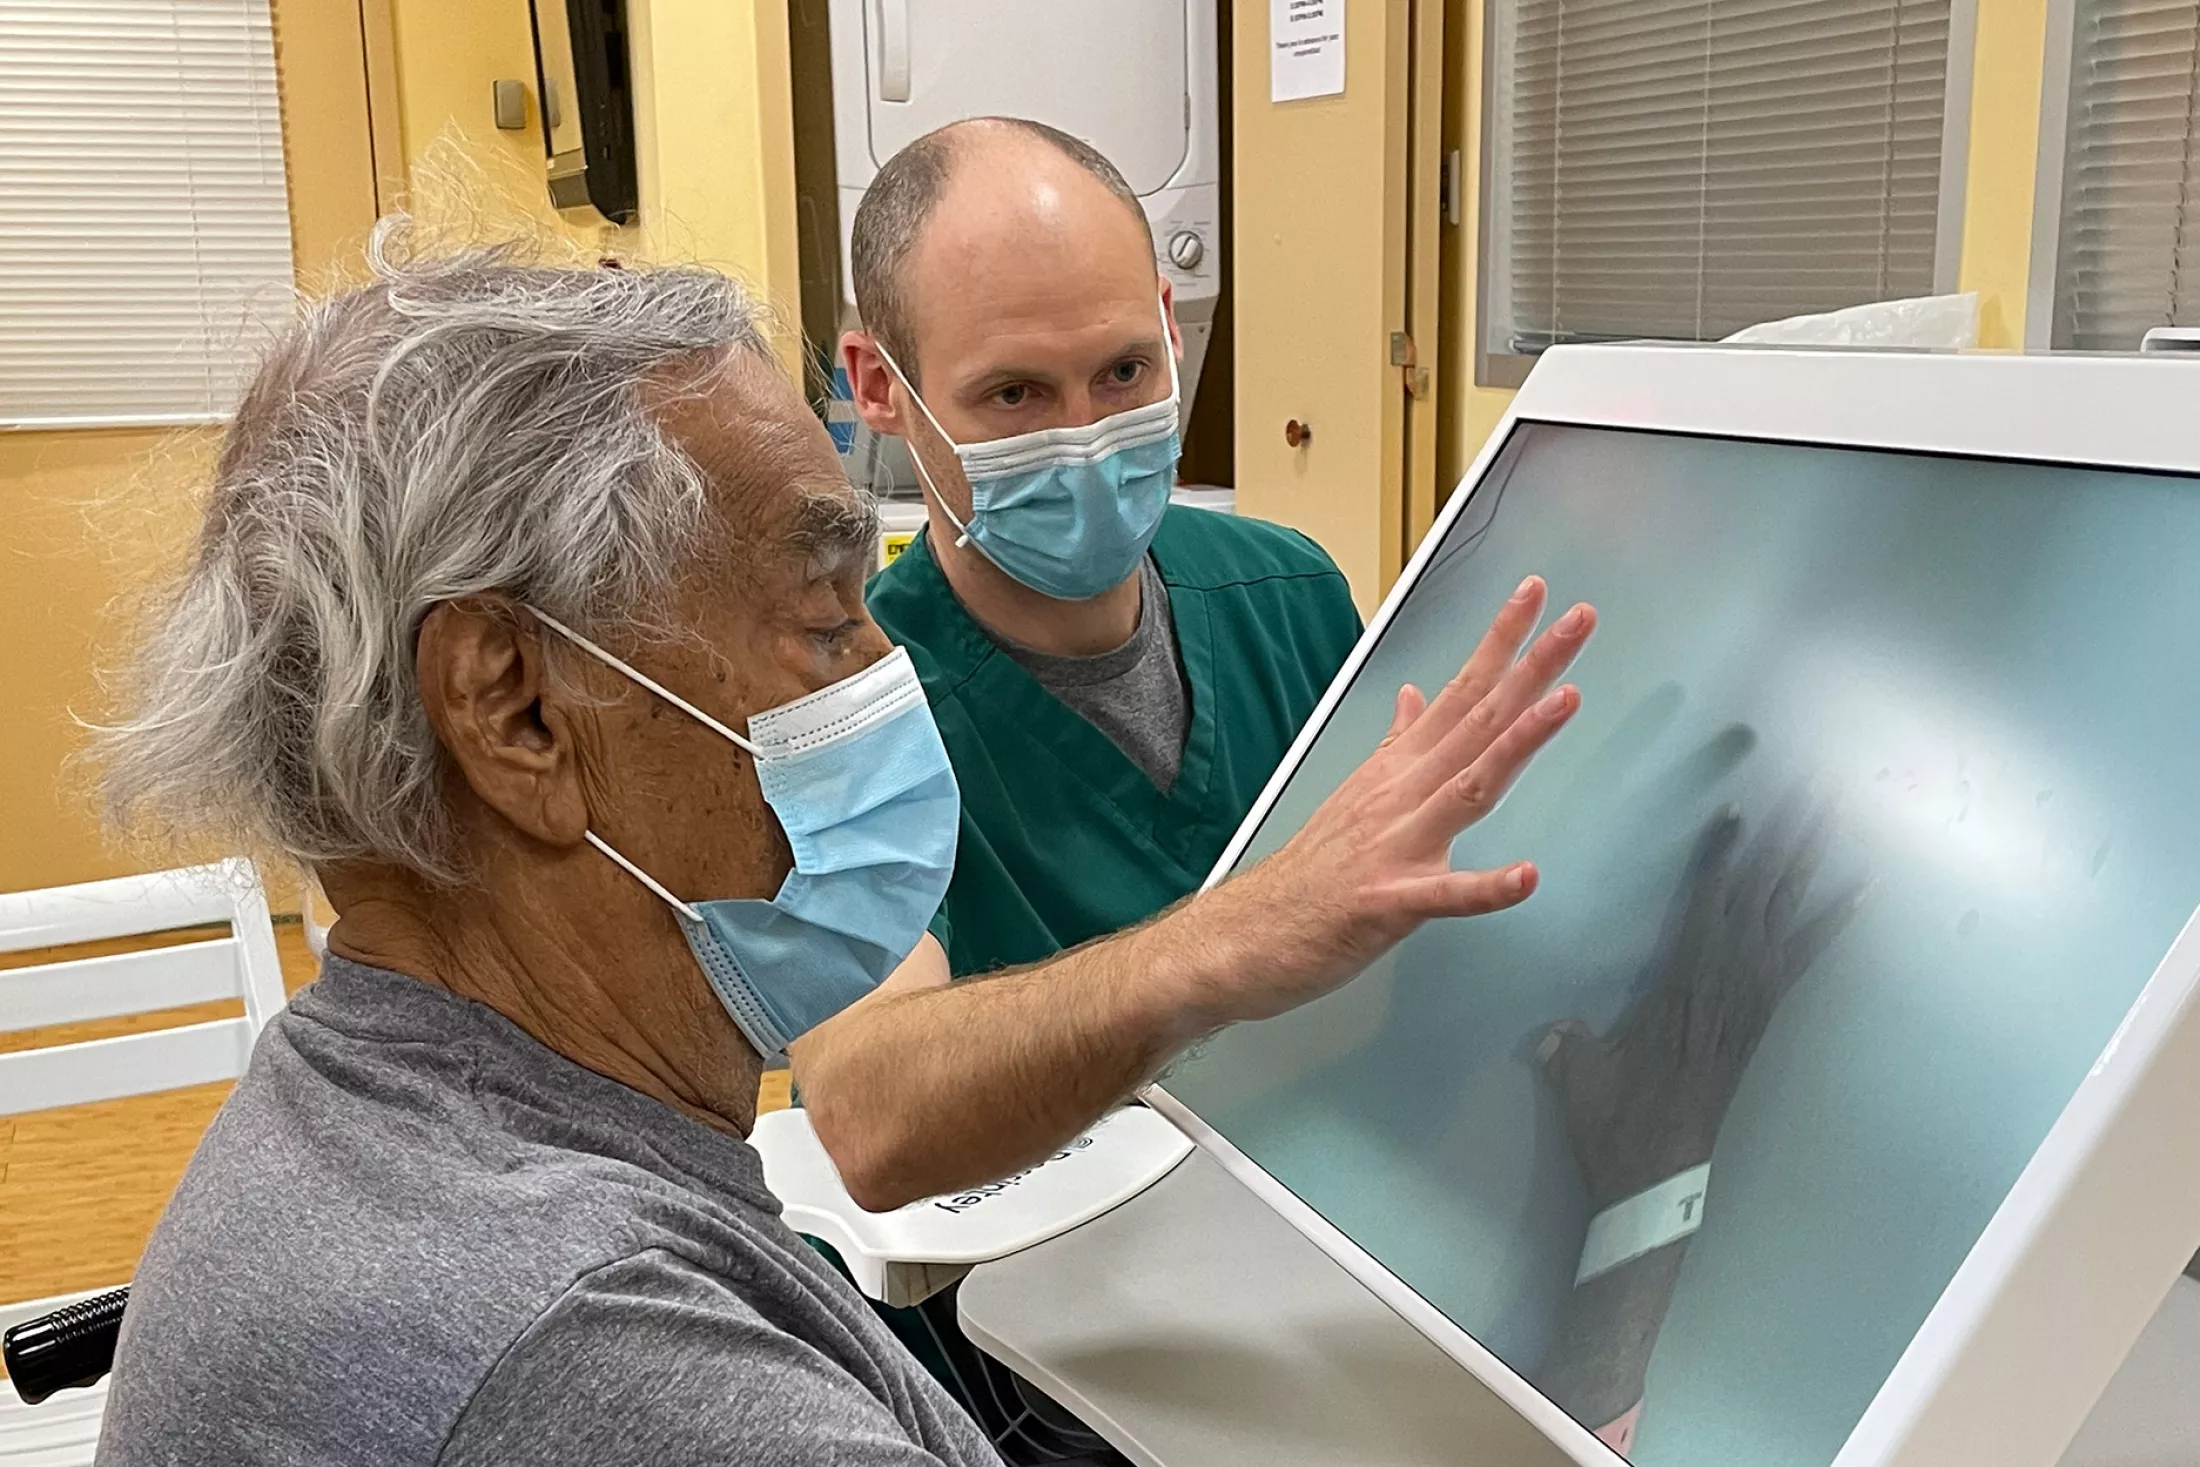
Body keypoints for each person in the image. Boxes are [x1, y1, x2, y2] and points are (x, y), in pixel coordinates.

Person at [89, 228, 1595, 1465]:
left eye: (1127, 369)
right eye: (824, 622)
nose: (886, 674)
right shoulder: (592, 1346)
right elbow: (870, 1119)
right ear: (516, 710)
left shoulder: (384, 1100)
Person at [842, 118, 1365, 989]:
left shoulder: (1291, 600)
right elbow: (870, 1090)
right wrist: (1223, 949)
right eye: (1016, 392)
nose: (1088, 442)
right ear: (879, 387)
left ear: (1169, 323)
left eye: (1124, 372)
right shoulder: (861, 708)